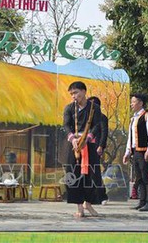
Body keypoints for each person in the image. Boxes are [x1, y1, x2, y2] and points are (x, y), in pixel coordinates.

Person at [62, 81, 102, 218]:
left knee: (91, 176)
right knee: (72, 176)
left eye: (76, 92)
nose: (74, 96)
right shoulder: (68, 108)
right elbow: (66, 125)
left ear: (84, 92)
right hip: (74, 145)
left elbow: (97, 125)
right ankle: (79, 207)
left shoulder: (94, 108)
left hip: (89, 145)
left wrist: (88, 138)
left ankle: (88, 203)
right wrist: (73, 139)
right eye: (71, 94)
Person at [123, 93, 148, 212]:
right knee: (139, 177)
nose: (131, 104)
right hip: (135, 151)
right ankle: (142, 202)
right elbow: (130, 138)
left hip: (144, 151)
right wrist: (127, 152)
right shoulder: (133, 119)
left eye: (133, 102)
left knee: (146, 176)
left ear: (141, 103)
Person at [87, 96, 109, 205]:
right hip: (86, 148)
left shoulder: (102, 117)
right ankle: (90, 197)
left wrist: (101, 146)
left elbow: (104, 132)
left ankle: (101, 196)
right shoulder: (86, 118)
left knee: (95, 172)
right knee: (87, 173)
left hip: (95, 147)